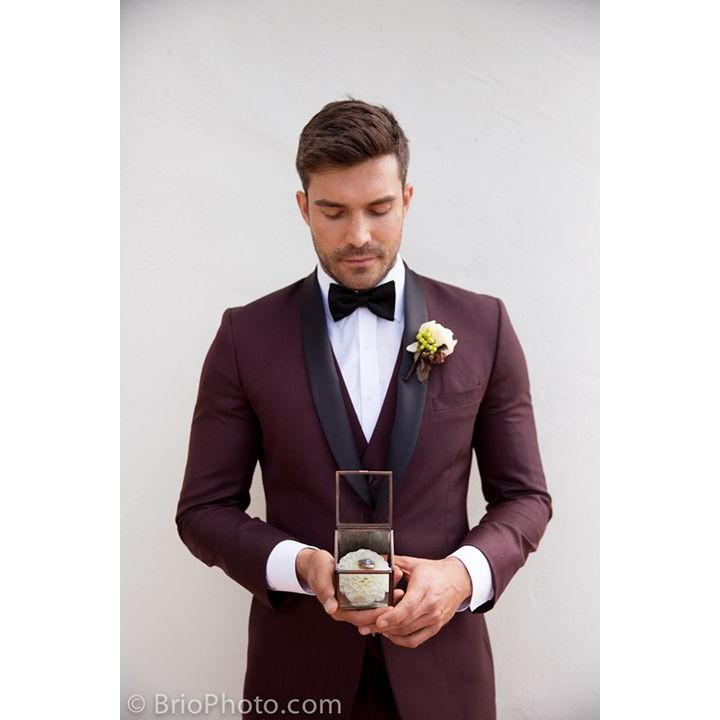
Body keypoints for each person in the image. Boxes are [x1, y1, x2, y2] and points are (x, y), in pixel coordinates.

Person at [175, 98, 552, 720]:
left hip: (445, 679)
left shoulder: (484, 324)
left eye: (378, 209)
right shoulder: (244, 336)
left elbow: (526, 498)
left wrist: (461, 576)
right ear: (303, 207)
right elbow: (203, 510)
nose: (358, 236)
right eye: (333, 212)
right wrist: (300, 565)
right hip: (298, 678)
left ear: (407, 199)